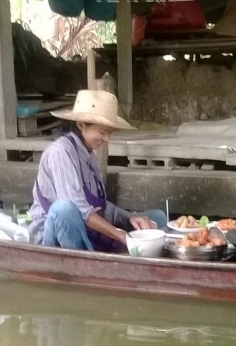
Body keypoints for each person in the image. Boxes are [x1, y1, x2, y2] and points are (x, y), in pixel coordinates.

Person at [27, 89, 167, 252]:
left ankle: (104, 253)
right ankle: (88, 262)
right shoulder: (61, 152)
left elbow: (99, 206)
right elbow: (79, 210)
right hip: (51, 234)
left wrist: (130, 217)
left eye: (109, 132)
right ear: (81, 125)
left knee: (157, 218)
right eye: (102, 132)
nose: (106, 138)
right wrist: (120, 235)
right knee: (64, 209)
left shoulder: (88, 153)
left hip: (86, 227)